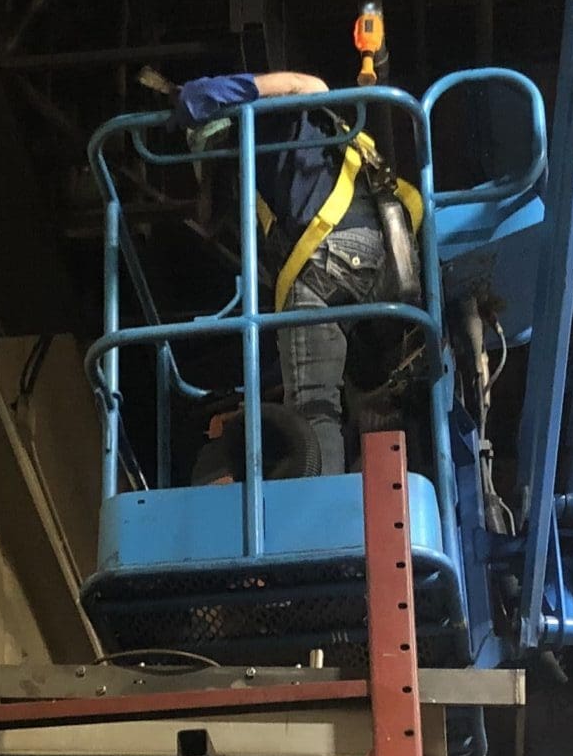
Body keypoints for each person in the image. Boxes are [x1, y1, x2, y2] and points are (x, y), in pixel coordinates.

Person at [172, 69, 421, 476]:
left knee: (314, 403)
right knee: (371, 396)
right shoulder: (307, 153)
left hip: (329, 255)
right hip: (395, 260)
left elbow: (308, 85)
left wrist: (217, 90)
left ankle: (324, 515)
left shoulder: (277, 120)